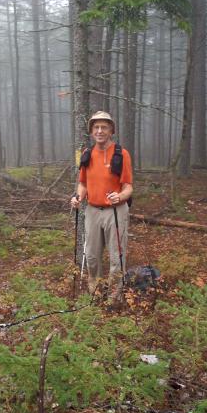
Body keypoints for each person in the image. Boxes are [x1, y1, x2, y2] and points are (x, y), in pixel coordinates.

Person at [71, 111, 133, 305]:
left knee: (117, 257)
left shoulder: (121, 154)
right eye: (96, 127)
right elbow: (82, 183)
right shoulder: (87, 154)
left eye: (104, 127)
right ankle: (95, 293)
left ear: (111, 130)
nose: (100, 131)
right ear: (91, 131)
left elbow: (128, 187)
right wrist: (78, 197)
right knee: (91, 256)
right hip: (92, 211)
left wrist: (120, 196)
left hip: (116, 211)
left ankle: (114, 298)